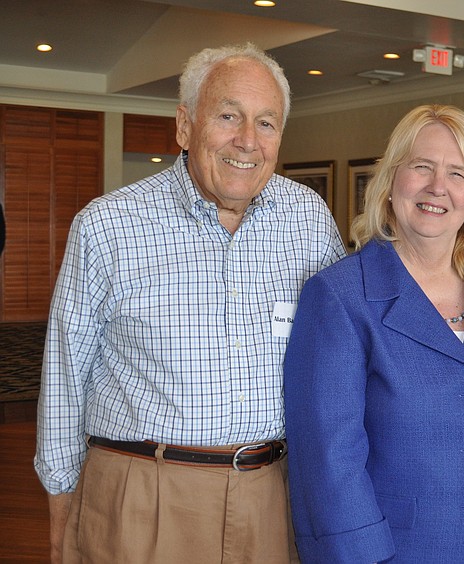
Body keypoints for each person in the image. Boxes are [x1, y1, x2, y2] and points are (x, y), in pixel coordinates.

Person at [35, 43, 346, 563]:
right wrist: (62, 509)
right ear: (184, 126)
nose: (248, 141)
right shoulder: (108, 225)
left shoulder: (309, 220)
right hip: (143, 497)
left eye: (266, 123)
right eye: (229, 116)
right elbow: (65, 380)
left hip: (273, 496)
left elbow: (340, 353)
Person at [284, 104, 464, 563]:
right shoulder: (340, 296)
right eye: (422, 167)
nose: (438, 187)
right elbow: (326, 462)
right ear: (390, 180)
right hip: (391, 553)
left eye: (458, 173)